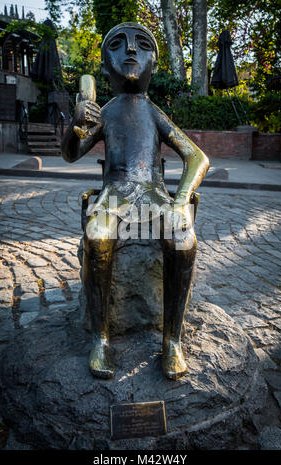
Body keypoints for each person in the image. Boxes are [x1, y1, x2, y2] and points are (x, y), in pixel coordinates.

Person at [61, 22, 209, 380]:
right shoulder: (107, 111)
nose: (130, 50)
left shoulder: (153, 111)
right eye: (118, 45)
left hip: (154, 195)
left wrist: (180, 200)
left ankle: (172, 340)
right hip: (114, 195)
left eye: (141, 44)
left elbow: (197, 158)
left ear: (154, 62)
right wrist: (75, 125)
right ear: (103, 64)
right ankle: (101, 338)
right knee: (97, 239)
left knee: (183, 242)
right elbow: (71, 153)